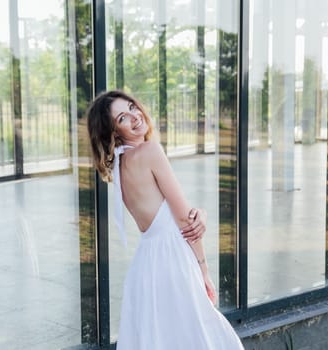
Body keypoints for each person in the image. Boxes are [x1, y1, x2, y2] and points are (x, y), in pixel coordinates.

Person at [87, 90, 244, 349]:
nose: (135, 117)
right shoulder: (150, 150)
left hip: (146, 266)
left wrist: (199, 212)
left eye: (132, 107)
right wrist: (204, 270)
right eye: (123, 118)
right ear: (115, 132)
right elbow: (185, 221)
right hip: (173, 260)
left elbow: (171, 214)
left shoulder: (120, 166)